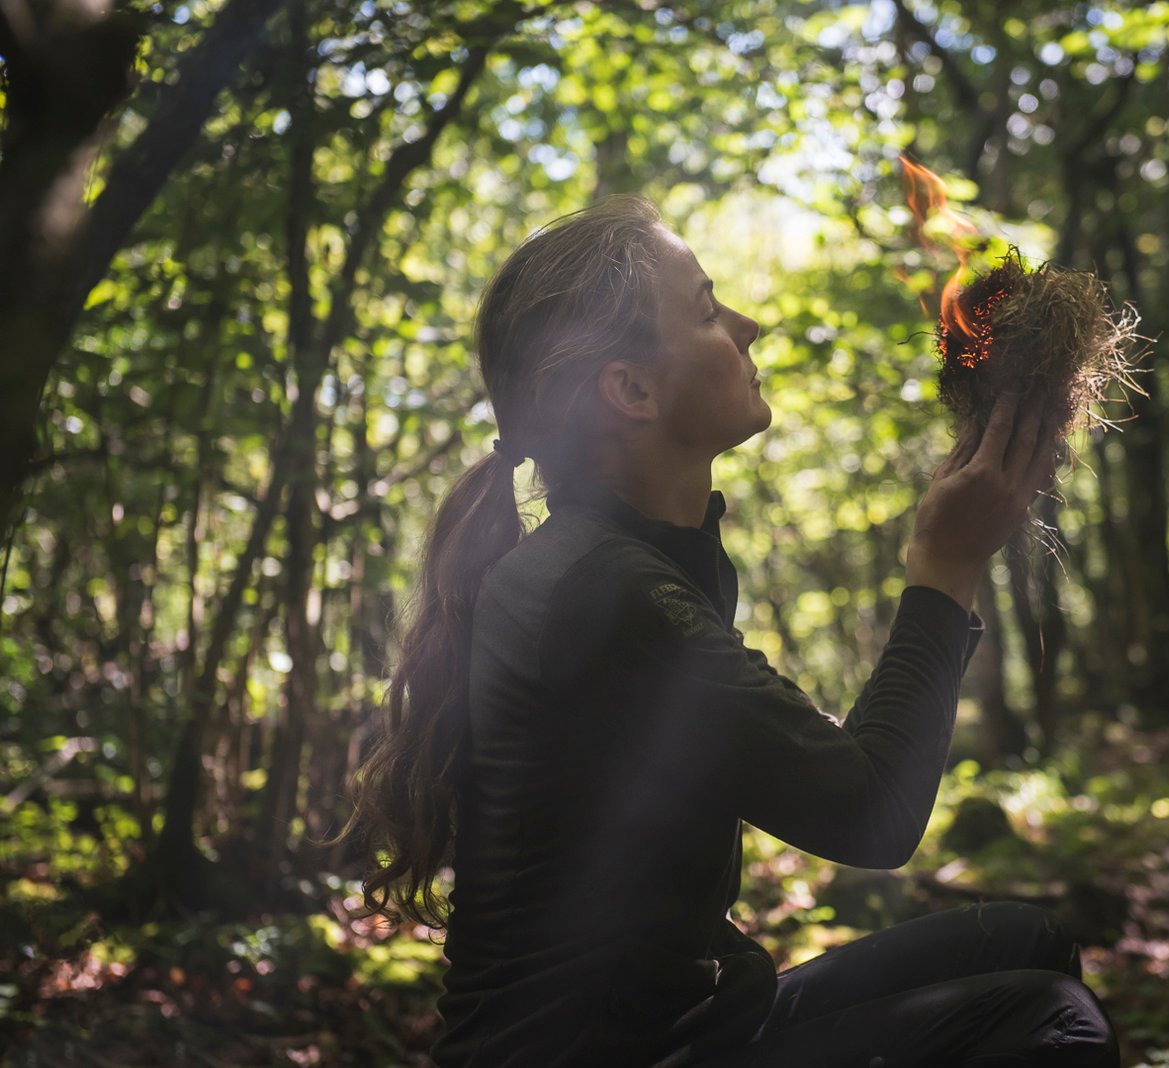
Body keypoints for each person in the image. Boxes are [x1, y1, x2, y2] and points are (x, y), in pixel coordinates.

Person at [346, 195, 1119, 1067]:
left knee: (1026, 942)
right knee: (1051, 1021)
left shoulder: (641, 564)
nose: (751, 326)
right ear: (631, 390)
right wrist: (944, 566)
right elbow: (869, 813)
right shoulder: (598, 587)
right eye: (709, 310)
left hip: (698, 1023)